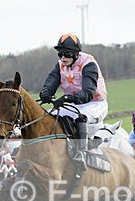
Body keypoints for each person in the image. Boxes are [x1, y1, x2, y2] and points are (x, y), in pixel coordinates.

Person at [38, 33, 109, 171]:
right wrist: (45, 93)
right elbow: (50, 84)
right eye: (60, 54)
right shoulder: (60, 65)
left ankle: (81, 154)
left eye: (66, 54)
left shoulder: (89, 64)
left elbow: (88, 93)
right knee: (47, 116)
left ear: (76, 54)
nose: (63, 57)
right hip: (74, 103)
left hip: (94, 103)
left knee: (79, 117)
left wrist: (67, 98)